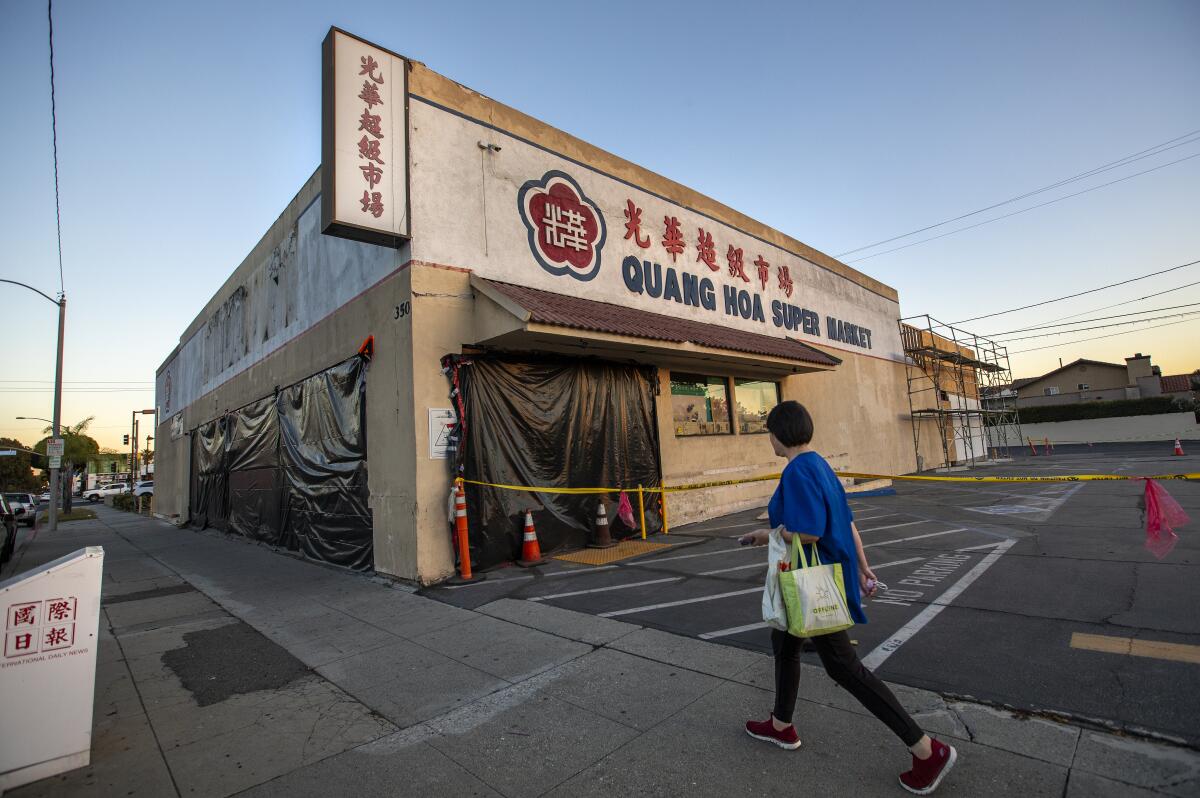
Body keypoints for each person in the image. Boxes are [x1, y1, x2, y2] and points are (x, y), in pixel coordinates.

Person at [738, 400, 957, 795]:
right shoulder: (820, 465)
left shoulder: (797, 471)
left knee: (843, 667)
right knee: (784, 645)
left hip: (811, 584)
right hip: (818, 578)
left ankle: (926, 750)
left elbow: (810, 532)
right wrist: (862, 564)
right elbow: (848, 521)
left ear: (778, 433)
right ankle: (781, 725)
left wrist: (768, 534)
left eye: (768, 431)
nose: (767, 438)